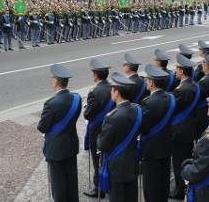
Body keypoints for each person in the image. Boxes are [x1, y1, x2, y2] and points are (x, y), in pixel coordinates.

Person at [37, 64, 82, 202]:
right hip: (71, 144)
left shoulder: (51, 103)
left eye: (52, 79)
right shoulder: (77, 98)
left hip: (56, 147)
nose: (52, 81)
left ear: (56, 81)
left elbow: (42, 127)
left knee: (58, 183)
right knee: (71, 178)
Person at [97, 72, 140, 202]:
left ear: (117, 93)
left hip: (116, 167)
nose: (111, 93)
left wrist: (98, 137)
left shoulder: (112, 117)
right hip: (132, 163)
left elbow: (103, 145)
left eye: (112, 90)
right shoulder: (137, 110)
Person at [139, 64, 174, 202]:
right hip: (166, 145)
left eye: (147, 80)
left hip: (152, 148)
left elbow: (143, 127)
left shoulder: (148, 102)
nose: (146, 82)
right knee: (163, 183)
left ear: (152, 83)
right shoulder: (170, 98)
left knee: (151, 185)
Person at [169, 54, 200, 200]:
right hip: (189, 128)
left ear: (182, 71)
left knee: (179, 162)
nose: (175, 70)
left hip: (180, 130)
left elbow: (173, 108)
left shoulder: (182, 89)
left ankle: (180, 190)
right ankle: (185, 187)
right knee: (186, 159)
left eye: (177, 68)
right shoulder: (193, 85)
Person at [83, 59, 113, 199]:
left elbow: (88, 114)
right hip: (111, 128)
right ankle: (109, 183)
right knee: (108, 158)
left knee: (97, 160)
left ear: (96, 75)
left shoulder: (94, 92)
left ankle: (99, 188)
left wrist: (86, 109)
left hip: (97, 131)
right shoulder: (114, 88)